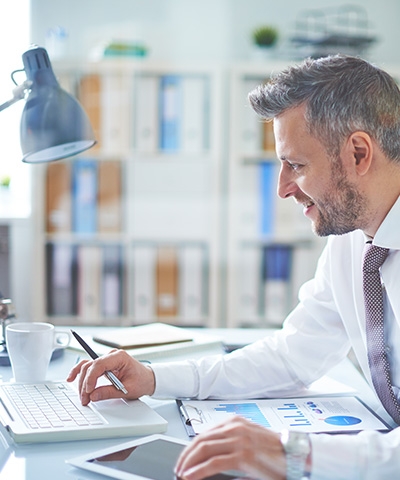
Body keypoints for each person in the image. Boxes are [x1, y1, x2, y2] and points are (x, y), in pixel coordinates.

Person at [68, 54, 400, 479]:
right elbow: (291, 356)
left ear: (358, 153)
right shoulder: (353, 241)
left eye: (296, 165)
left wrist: (292, 454)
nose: (281, 188)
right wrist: (152, 378)